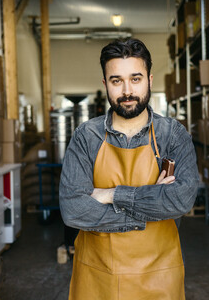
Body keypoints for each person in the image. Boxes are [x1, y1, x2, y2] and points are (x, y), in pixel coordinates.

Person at [59, 38, 199, 300]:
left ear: (149, 79)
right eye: (116, 81)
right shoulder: (86, 136)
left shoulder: (173, 135)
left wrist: (111, 195)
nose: (126, 90)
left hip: (160, 273)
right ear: (105, 84)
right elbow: (73, 209)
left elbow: (181, 200)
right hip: (97, 275)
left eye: (135, 79)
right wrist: (151, 207)